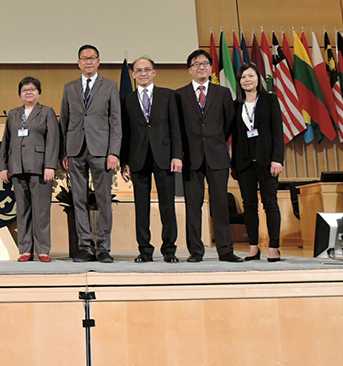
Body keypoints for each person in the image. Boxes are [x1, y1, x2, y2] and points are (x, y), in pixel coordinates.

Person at [175, 49, 242, 262]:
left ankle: (225, 250)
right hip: (191, 158)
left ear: (211, 68)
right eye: (196, 64)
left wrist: (216, 140)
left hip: (217, 156)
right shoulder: (179, 95)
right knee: (193, 206)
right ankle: (196, 251)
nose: (200, 67)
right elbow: (177, 128)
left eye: (204, 63)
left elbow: (230, 123)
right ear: (189, 70)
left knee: (220, 204)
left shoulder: (222, 93)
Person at [60, 45, 121, 263]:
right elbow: (64, 122)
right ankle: (84, 246)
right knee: (79, 200)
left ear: (98, 61)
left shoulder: (111, 86)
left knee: (104, 200)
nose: (88, 62)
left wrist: (113, 152)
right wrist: (64, 153)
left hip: (102, 151)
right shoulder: (69, 88)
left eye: (92, 58)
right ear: (78, 63)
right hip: (75, 151)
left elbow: (116, 122)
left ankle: (103, 247)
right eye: (84, 58)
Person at [121, 57, 182, 263]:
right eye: (139, 70)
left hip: (164, 157)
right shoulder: (127, 100)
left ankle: (169, 250)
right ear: (134, 74)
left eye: (147, 69)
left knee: (167, 205)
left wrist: (177, 156)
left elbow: (176, 128)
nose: (143, 73)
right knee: (141, 207)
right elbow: (126, 133)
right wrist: (124, 162)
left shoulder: (168, 95)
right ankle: (145, 250)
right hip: (138, 158)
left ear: (154, 72)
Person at [0, 77, 59, 262]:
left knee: (41, 211)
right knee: (22, 210)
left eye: (32, 89)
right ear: (20, 94)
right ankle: (25, 250)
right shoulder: (13, 113)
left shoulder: (47, 112)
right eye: (25, 90)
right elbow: (6, 141)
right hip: (17, 167)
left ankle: (42, 250)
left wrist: (50, 165)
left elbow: (53, 141)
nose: (29, 93)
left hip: (40, 168)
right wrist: (3, 166)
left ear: (39, 93)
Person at [232, 63, 284, 262]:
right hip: (244, 163)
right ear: (239, 82)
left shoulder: (270, 100)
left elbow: (277, 132)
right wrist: (233, 164)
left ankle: (274, 246)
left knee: (270, 204)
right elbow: (235, 137)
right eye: (243, 77)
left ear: (257, 78)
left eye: (250, 76)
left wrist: (277, 159)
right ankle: (253, 247)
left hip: (267, 161)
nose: (247, 80)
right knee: (249, 205)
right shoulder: (236, 104)